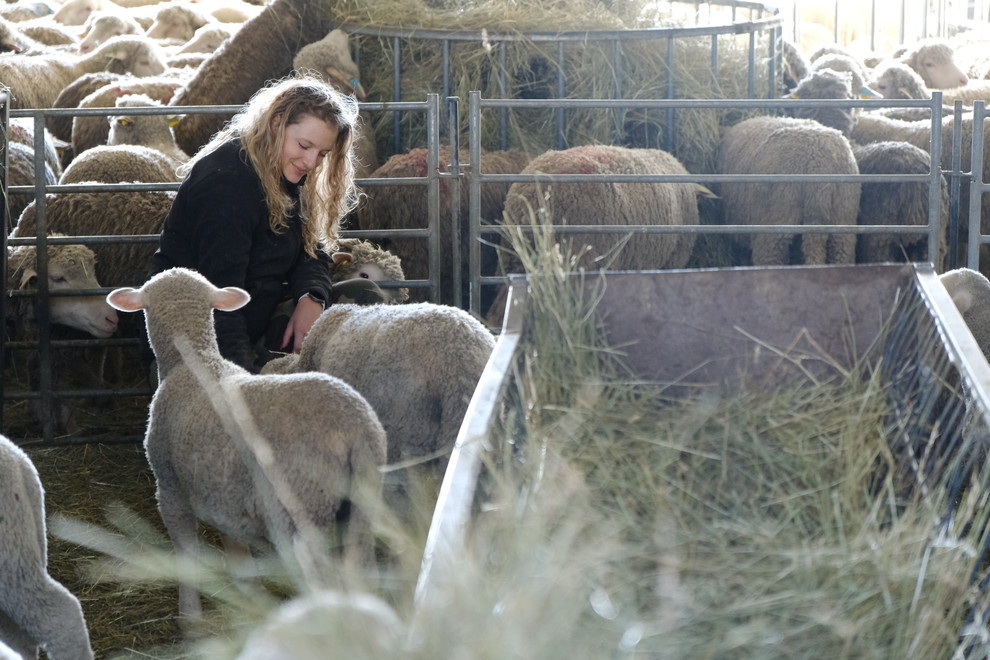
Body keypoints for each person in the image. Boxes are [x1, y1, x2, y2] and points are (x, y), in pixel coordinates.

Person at [149, 74, 362, 374]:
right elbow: (219, 296)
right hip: (201, 338)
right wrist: (245, 386)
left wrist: (311, 297)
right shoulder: (226, 185)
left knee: (363, 296)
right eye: (304, 145)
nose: (312, 162)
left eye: (322, 154)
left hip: (255, 314)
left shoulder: (285, 172)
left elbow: (310, 248)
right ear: (276, 123)